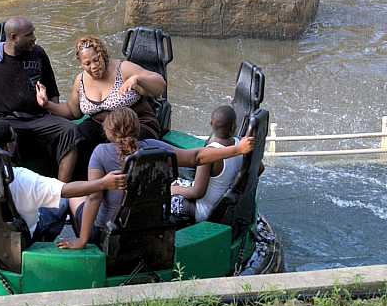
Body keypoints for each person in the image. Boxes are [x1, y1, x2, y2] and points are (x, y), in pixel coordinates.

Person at [59, 107, 255, 250]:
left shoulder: (100, 153)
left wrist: (82, 240)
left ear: (108, 132)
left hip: (109, 231)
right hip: (151, 228)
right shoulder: (155, 147)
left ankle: (90, 245)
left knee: (75, 197)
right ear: (137, 128)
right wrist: (237, 149)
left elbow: (95, 198)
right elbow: (196, 157)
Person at [0, 17, 82, 181]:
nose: (34, 38)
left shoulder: (38, 53)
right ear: (14, 37)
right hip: (8, 120)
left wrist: (53, 109)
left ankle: (61, 189)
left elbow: (51, 85)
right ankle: (16, 188)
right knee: (3, 137)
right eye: (29, 35)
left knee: (70, 130)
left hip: (39, 118)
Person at [34, 35, 166, 175]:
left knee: (115, 148)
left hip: (135, 125)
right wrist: (47, 104)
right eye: (87, 63)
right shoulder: (81, 80)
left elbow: (160, 85)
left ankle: (119, 187)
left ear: (103, 54)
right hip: (102, 126)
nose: (94, 66)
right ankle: (77, 185)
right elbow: (72, 112)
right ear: (81, 64)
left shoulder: (123, 68)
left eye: (96, 60)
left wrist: (137, 79)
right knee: (78, 138)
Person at [170, 105, 244, 223]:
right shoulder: (241, 145)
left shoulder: (209, 155)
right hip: (225, 209)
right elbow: (259, 169)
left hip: (204, 213)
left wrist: (173, 189)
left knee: (162, 199)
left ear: (211, 124)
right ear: (233, 127)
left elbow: (197, 192)